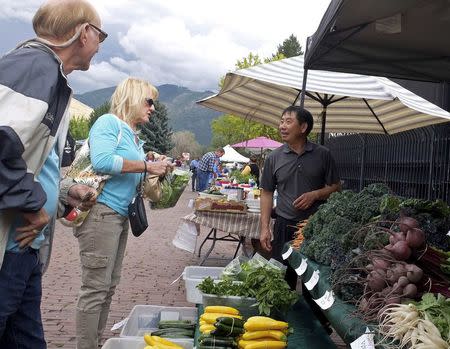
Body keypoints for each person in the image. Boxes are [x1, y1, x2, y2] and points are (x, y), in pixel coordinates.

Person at [0, 1, 105, 347]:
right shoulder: (36, 67)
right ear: (84, 31)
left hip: (23, 248)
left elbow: (29, 162)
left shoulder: (47, 73)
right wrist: (32, 207)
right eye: (100, 34)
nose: (100, 44)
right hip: (11, 247)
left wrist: (62, 196)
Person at [73, 77, 172, 349]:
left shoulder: (131, 133)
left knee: (108, 287)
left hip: (117, 217)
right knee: (95, 289)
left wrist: (151, 164)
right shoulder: (108, 123)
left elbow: (130, 169)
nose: (152, 108)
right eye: (149, 101)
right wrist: (146, 166)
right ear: (133, 97)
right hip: (101, 214)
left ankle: (96, 342)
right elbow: (102, 161)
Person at [259, 106, 340, 332]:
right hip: (284, 225)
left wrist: (316, 194)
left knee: (312, 283)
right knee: (279, 279)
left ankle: (318, 330)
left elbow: (335, 187)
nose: (282, 126)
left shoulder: (323, 154)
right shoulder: (274, 157)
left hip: (314, 232)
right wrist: (265, 228)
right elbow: (266, 192)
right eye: (281, 120)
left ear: (303, 127)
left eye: (288, 121)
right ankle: (277, 327)